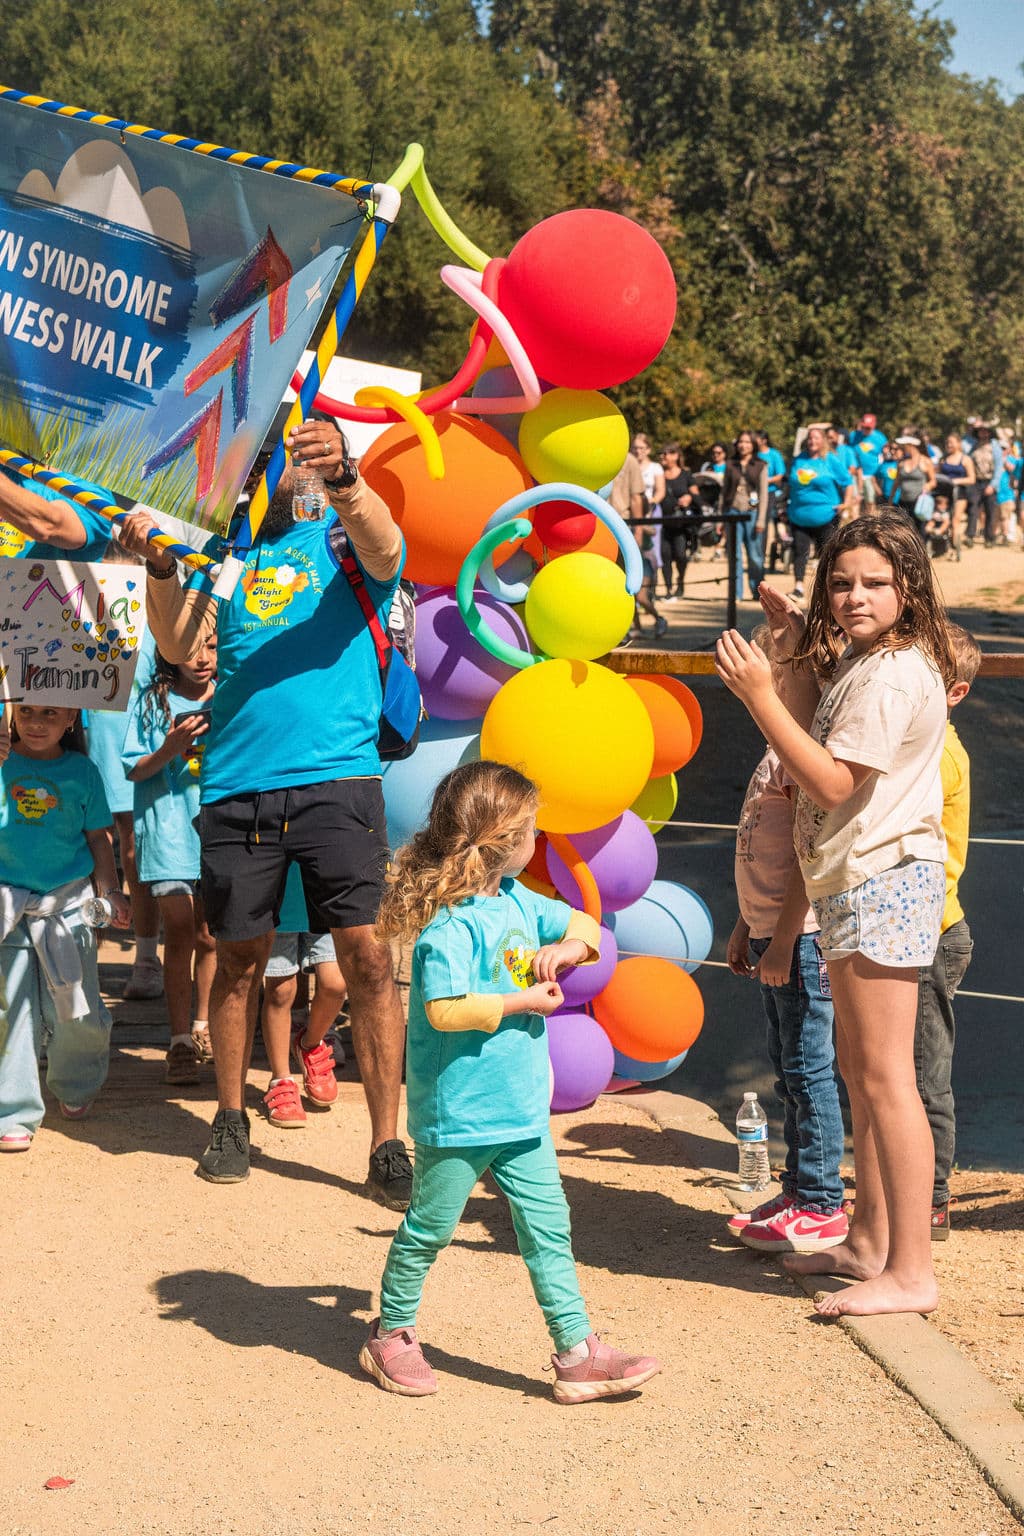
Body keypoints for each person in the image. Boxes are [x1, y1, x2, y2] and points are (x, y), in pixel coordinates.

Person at [118, 416, 413, 1201]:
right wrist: (159, 568)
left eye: (300, 460)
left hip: (339, 781)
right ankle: (228, 1117)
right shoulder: (227, 561)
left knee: (370, 959)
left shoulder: (345, 547)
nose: (292, 469)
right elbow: (182, 646)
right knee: (240, 957)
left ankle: (388, 1140)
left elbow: (389, 548)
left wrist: (349, 477)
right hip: (238, 786)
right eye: (276, 461)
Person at [360, 760, 661, 1401]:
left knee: (548, 1227)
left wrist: (569, 950)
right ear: (504, 840)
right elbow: (443, 1011)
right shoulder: (452, 926)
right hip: (460, 1114)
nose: (537, 839)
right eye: (531, 829)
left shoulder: (518, 900)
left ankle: (577, 1351)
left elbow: (584, 925)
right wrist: (522, 1002)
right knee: (430, 1227)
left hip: (522, 1109)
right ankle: (391, 1330)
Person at [715, 513, 954, 1317]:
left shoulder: (890, 673)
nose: (854, 596)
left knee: (887, 1081)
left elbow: (829, 782)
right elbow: (823, 718)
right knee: (862, 1073)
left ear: (909, 588)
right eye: (841, 582)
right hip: (856, 880)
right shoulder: (865, 662)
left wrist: (756, 695)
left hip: (883, 879)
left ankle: (911, 1271)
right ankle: (871, 1241)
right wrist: (788, 655)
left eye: (874, 583)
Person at [725, 625, 847, 1255]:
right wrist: (749, 924)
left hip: (800, 941)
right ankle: (801, 1188)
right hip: (775, 935)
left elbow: (808, 856)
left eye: (771, 663)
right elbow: (763, 851)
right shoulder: (776, 753)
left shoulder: (801, 756)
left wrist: (783, 939)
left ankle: (823, 1200)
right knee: (788, 1068)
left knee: (808, 1068)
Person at [0, 703, 131, 1150]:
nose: (37, 723)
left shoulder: (84, 771)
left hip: (69, 907)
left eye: (51, 714)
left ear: (72, 718)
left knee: (76, 1007)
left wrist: (110, 892)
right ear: (12, 711)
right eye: (29, 712)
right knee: (9, 1012)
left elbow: (99, 836)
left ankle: (76, 1084)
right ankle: (13, 1109)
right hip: (7, 907)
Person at [122, 639, 218, 1086]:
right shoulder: (151, 699)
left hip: (219, 833)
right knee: (179, 931)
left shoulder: (231, 693)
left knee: (211, 935)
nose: (202, 658)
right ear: (168, 648)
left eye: (212, 646)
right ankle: (179, 1040)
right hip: (167, 833)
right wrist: (170, 747)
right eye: (191, 647)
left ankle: (204, 1028)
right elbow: (134, 769)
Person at [915, 623, 978, 1241]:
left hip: (932, 932)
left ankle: (932, 1198)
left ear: (953, 692)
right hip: (919, 928)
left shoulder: (941, 756)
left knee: (926, 1074)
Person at [258, 864, 347, 1128]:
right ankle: (281, 1078)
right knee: (280, 989)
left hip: (323, 889)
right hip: (279, 892)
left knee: (335, 984)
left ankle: (309, 1044)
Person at [785, 425, 855, 600]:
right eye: (809, 438)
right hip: (799, 515)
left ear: (823, 441)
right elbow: (790, 483)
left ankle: (826, 591)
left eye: (816, 438)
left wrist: (845, 503)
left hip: (826, 515)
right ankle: (798, 588)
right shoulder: (798, 459)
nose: (812, 441)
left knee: (827, 554)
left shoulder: (830, 459)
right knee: (800, 551)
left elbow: (848, 481)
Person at [721, 430, 768, 602]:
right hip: (732, 512)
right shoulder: (730, 464)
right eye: (741, 441)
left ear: (753, 445)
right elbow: (724, 492)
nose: (743, 445)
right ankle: (736, 593)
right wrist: (721, 517)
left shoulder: (761, 465)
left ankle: (758, 592)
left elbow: (764, 493)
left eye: (747, 442)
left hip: (752, 513)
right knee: (735, 555)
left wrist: (761, 519)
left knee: (755, 555)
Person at [657, 442, 698, 598]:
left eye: (666, 453)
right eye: (661, 453)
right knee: (664, 555)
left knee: (681, 555)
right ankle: (668, 588)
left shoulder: (686, 475)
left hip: (680, 524)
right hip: (662, 523)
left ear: (676, 455)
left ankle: (680, 580)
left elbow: (697, 496)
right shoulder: (658, 474)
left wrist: (689, 497)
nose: (663, 456)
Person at [937, 433, 976, 554]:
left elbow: (972, 479)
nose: (949, 445)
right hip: (944, 494)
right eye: (947, 442)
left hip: (960, 493)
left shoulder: (966, 459)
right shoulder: (943, 459)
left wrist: (956, 481)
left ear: (959, 444)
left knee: (955, 520)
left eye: (951, 442)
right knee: (943, 519)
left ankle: (955, 547)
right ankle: (943, 546)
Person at [892, 436, 937, 533]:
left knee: (919, 531)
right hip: (903, 502)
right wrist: (890, 501)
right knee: (903, 530)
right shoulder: (902, 463)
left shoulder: (925, 461)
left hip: (918, 504)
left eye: (904, 446)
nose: (902, 448)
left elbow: (933, 481)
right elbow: (896, 483)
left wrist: (928, 486)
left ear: (911, 446)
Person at [969, 423, 1002, 547]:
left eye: (985, 431)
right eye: (980, 431)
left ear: (989, 433)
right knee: (973, 509)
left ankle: (989, 538)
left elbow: (999, 468)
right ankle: (970, 536)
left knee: (990, 511)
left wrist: (992, 485)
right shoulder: (974, 447)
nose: (982, 433)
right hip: (976, 482)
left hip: (989, 482)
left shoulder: (995, 447)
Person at [848, 413, 886, 508]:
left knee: (870, 502)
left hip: (872, 475)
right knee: (856, 503)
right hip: (856, 474)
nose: (865, 429)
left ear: (873, 426)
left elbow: (886, 455)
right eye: (864, 427)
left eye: (868, 428)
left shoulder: (880, 438)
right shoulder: (853, 435)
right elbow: (848, 452)